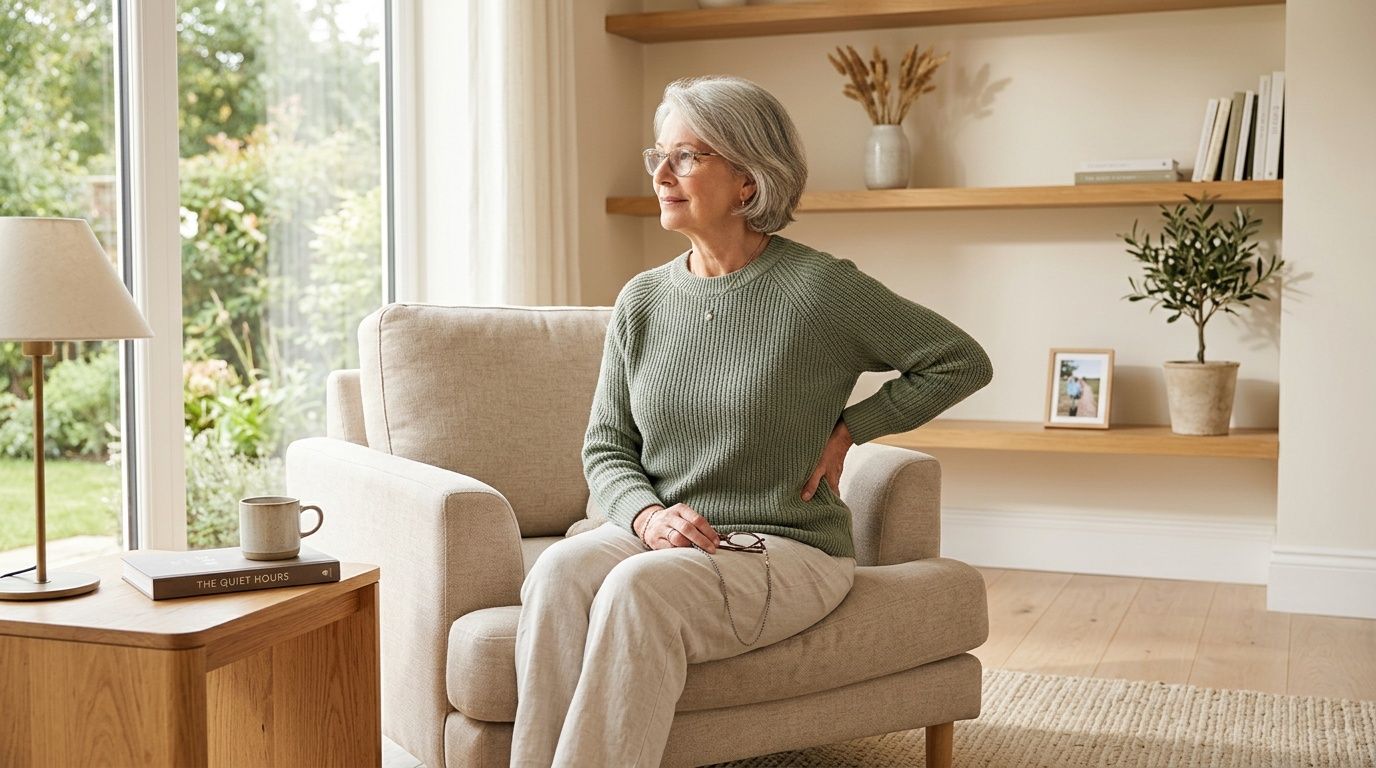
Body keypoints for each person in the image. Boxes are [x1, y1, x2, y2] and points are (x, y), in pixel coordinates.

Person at [511, 75, 994, 768]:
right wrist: (648, 517)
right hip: (664, 539)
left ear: (747, 179)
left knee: (637, 590)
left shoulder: (820, 289)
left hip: (784, 547)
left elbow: (958, 360)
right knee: (559, 572)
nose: (661, 174)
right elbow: (608, 447)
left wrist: (853, 427)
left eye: (687, 156)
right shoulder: (643, 299)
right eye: (659, 155)